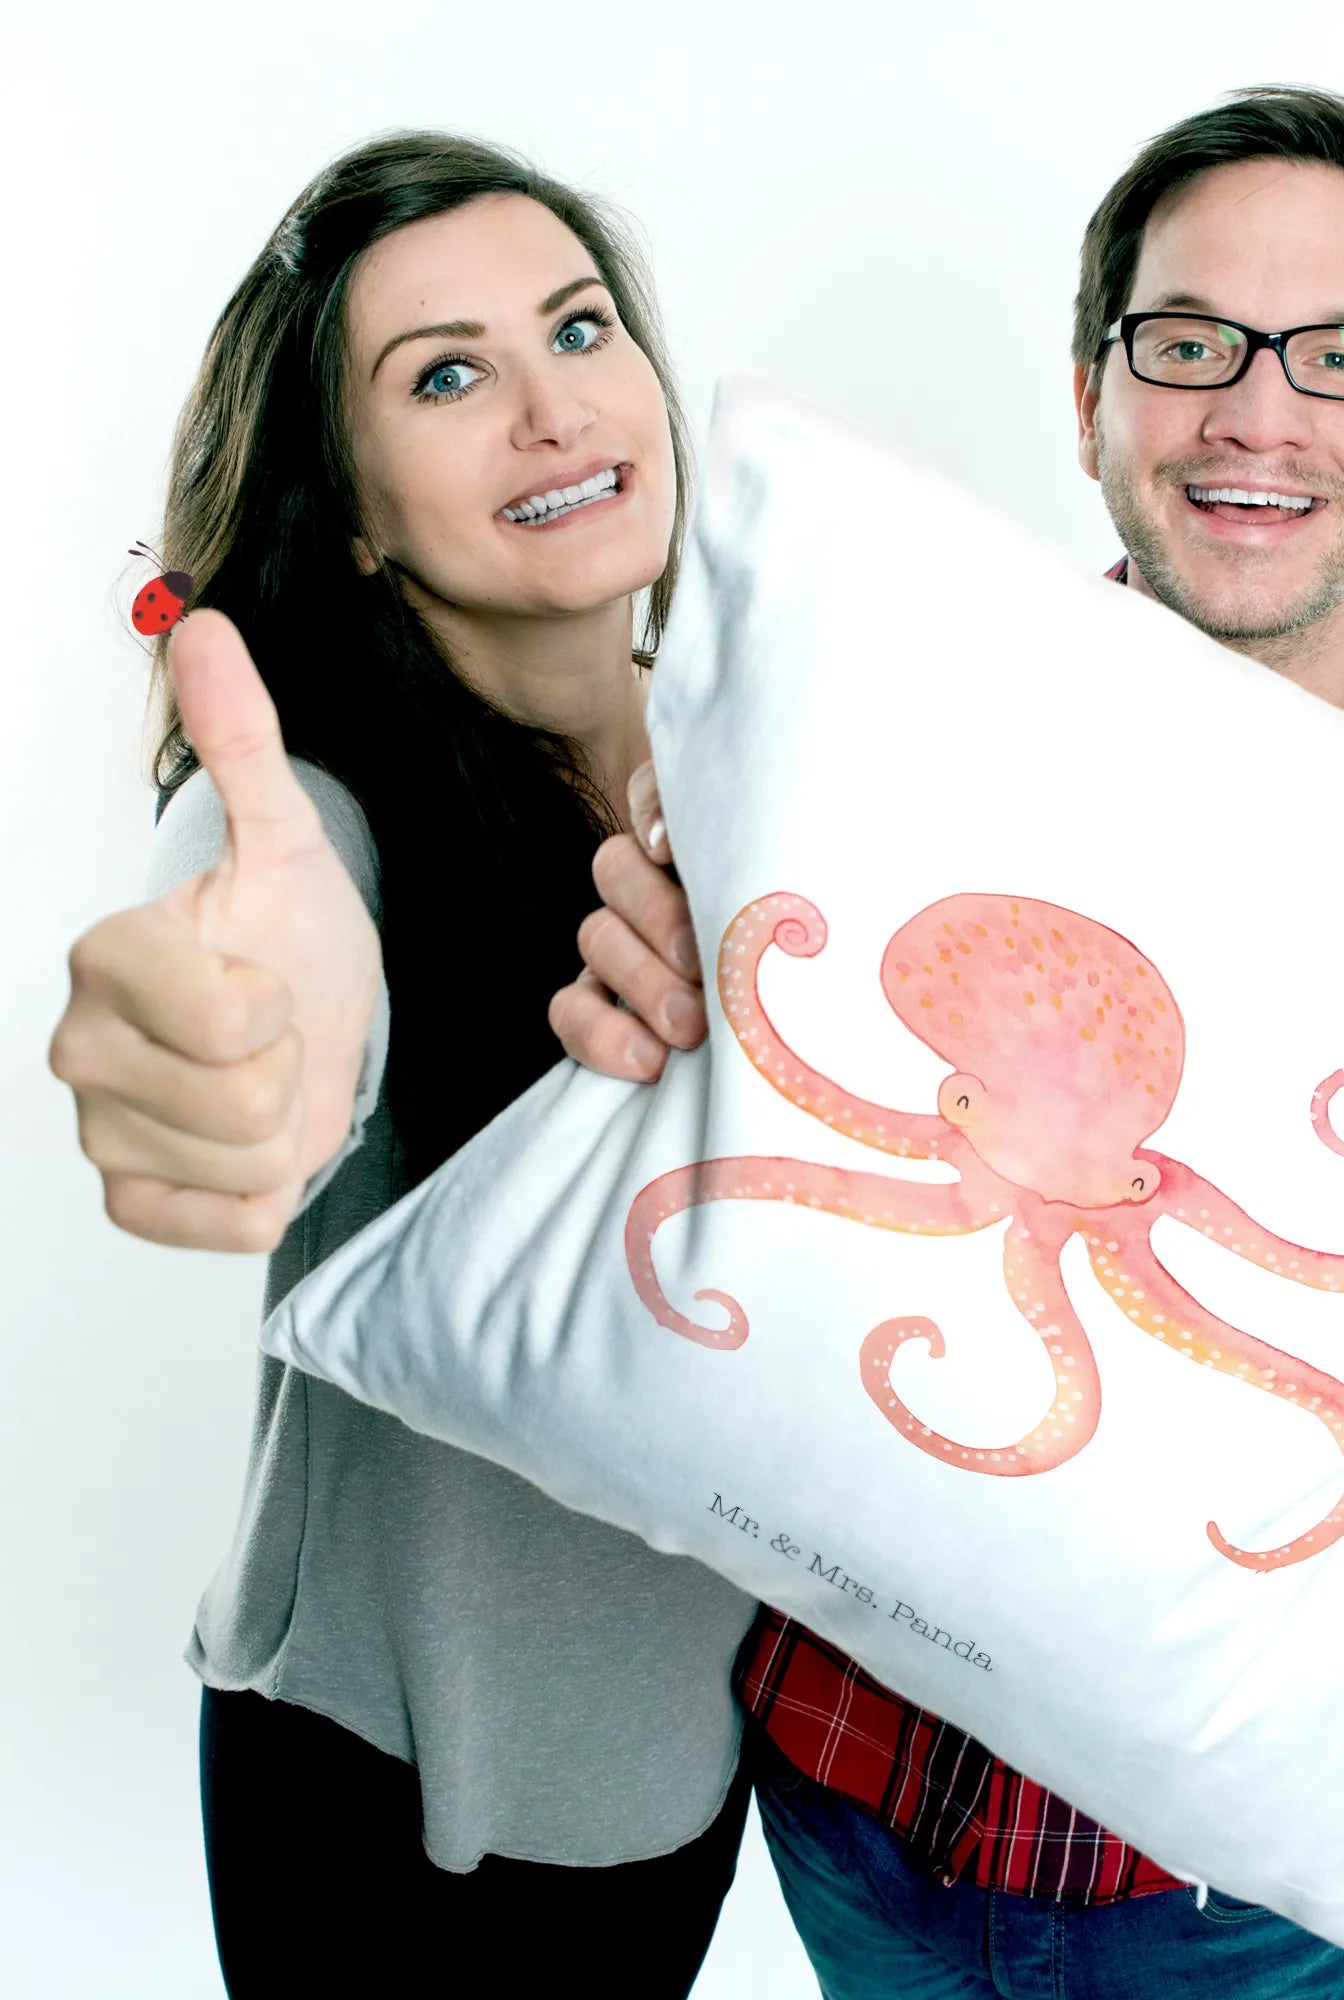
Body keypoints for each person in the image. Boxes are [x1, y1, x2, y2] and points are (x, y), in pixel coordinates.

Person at [553, 87, 1344, 1997]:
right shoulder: (859, 740)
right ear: (1091, 396)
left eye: (1342, 356)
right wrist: (645, 1011)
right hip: (838, 1797)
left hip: (1221, 1889)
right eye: (1190, 345)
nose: (1259, 412)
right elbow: (717, 1181)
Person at [46, 135, 756, 1996]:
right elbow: (261, 931)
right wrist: (229, 1036)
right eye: (445, 375)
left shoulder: (758, 771)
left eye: (578, 329)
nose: (551, 408)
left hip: (685, 1768)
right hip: (394, 1804)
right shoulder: (319, 808)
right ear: (354, 513)